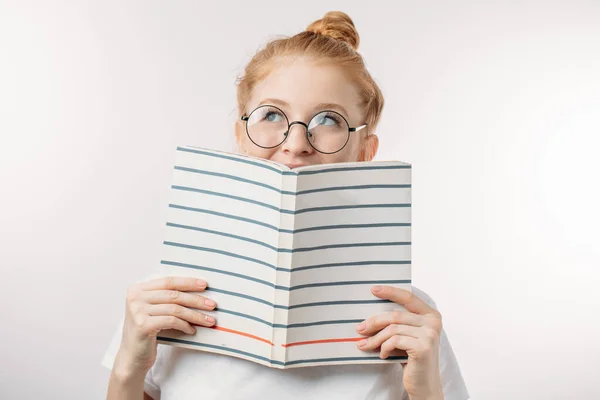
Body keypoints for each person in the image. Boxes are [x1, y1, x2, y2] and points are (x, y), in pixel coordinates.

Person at [102, 11, 470, 400]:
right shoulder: (166, 298)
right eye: (272, 115)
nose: (296, 143)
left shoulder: (409, 319)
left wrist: (426, 390)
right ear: (241, 137)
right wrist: (129, 365)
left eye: (328, 119)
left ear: (365, 151)